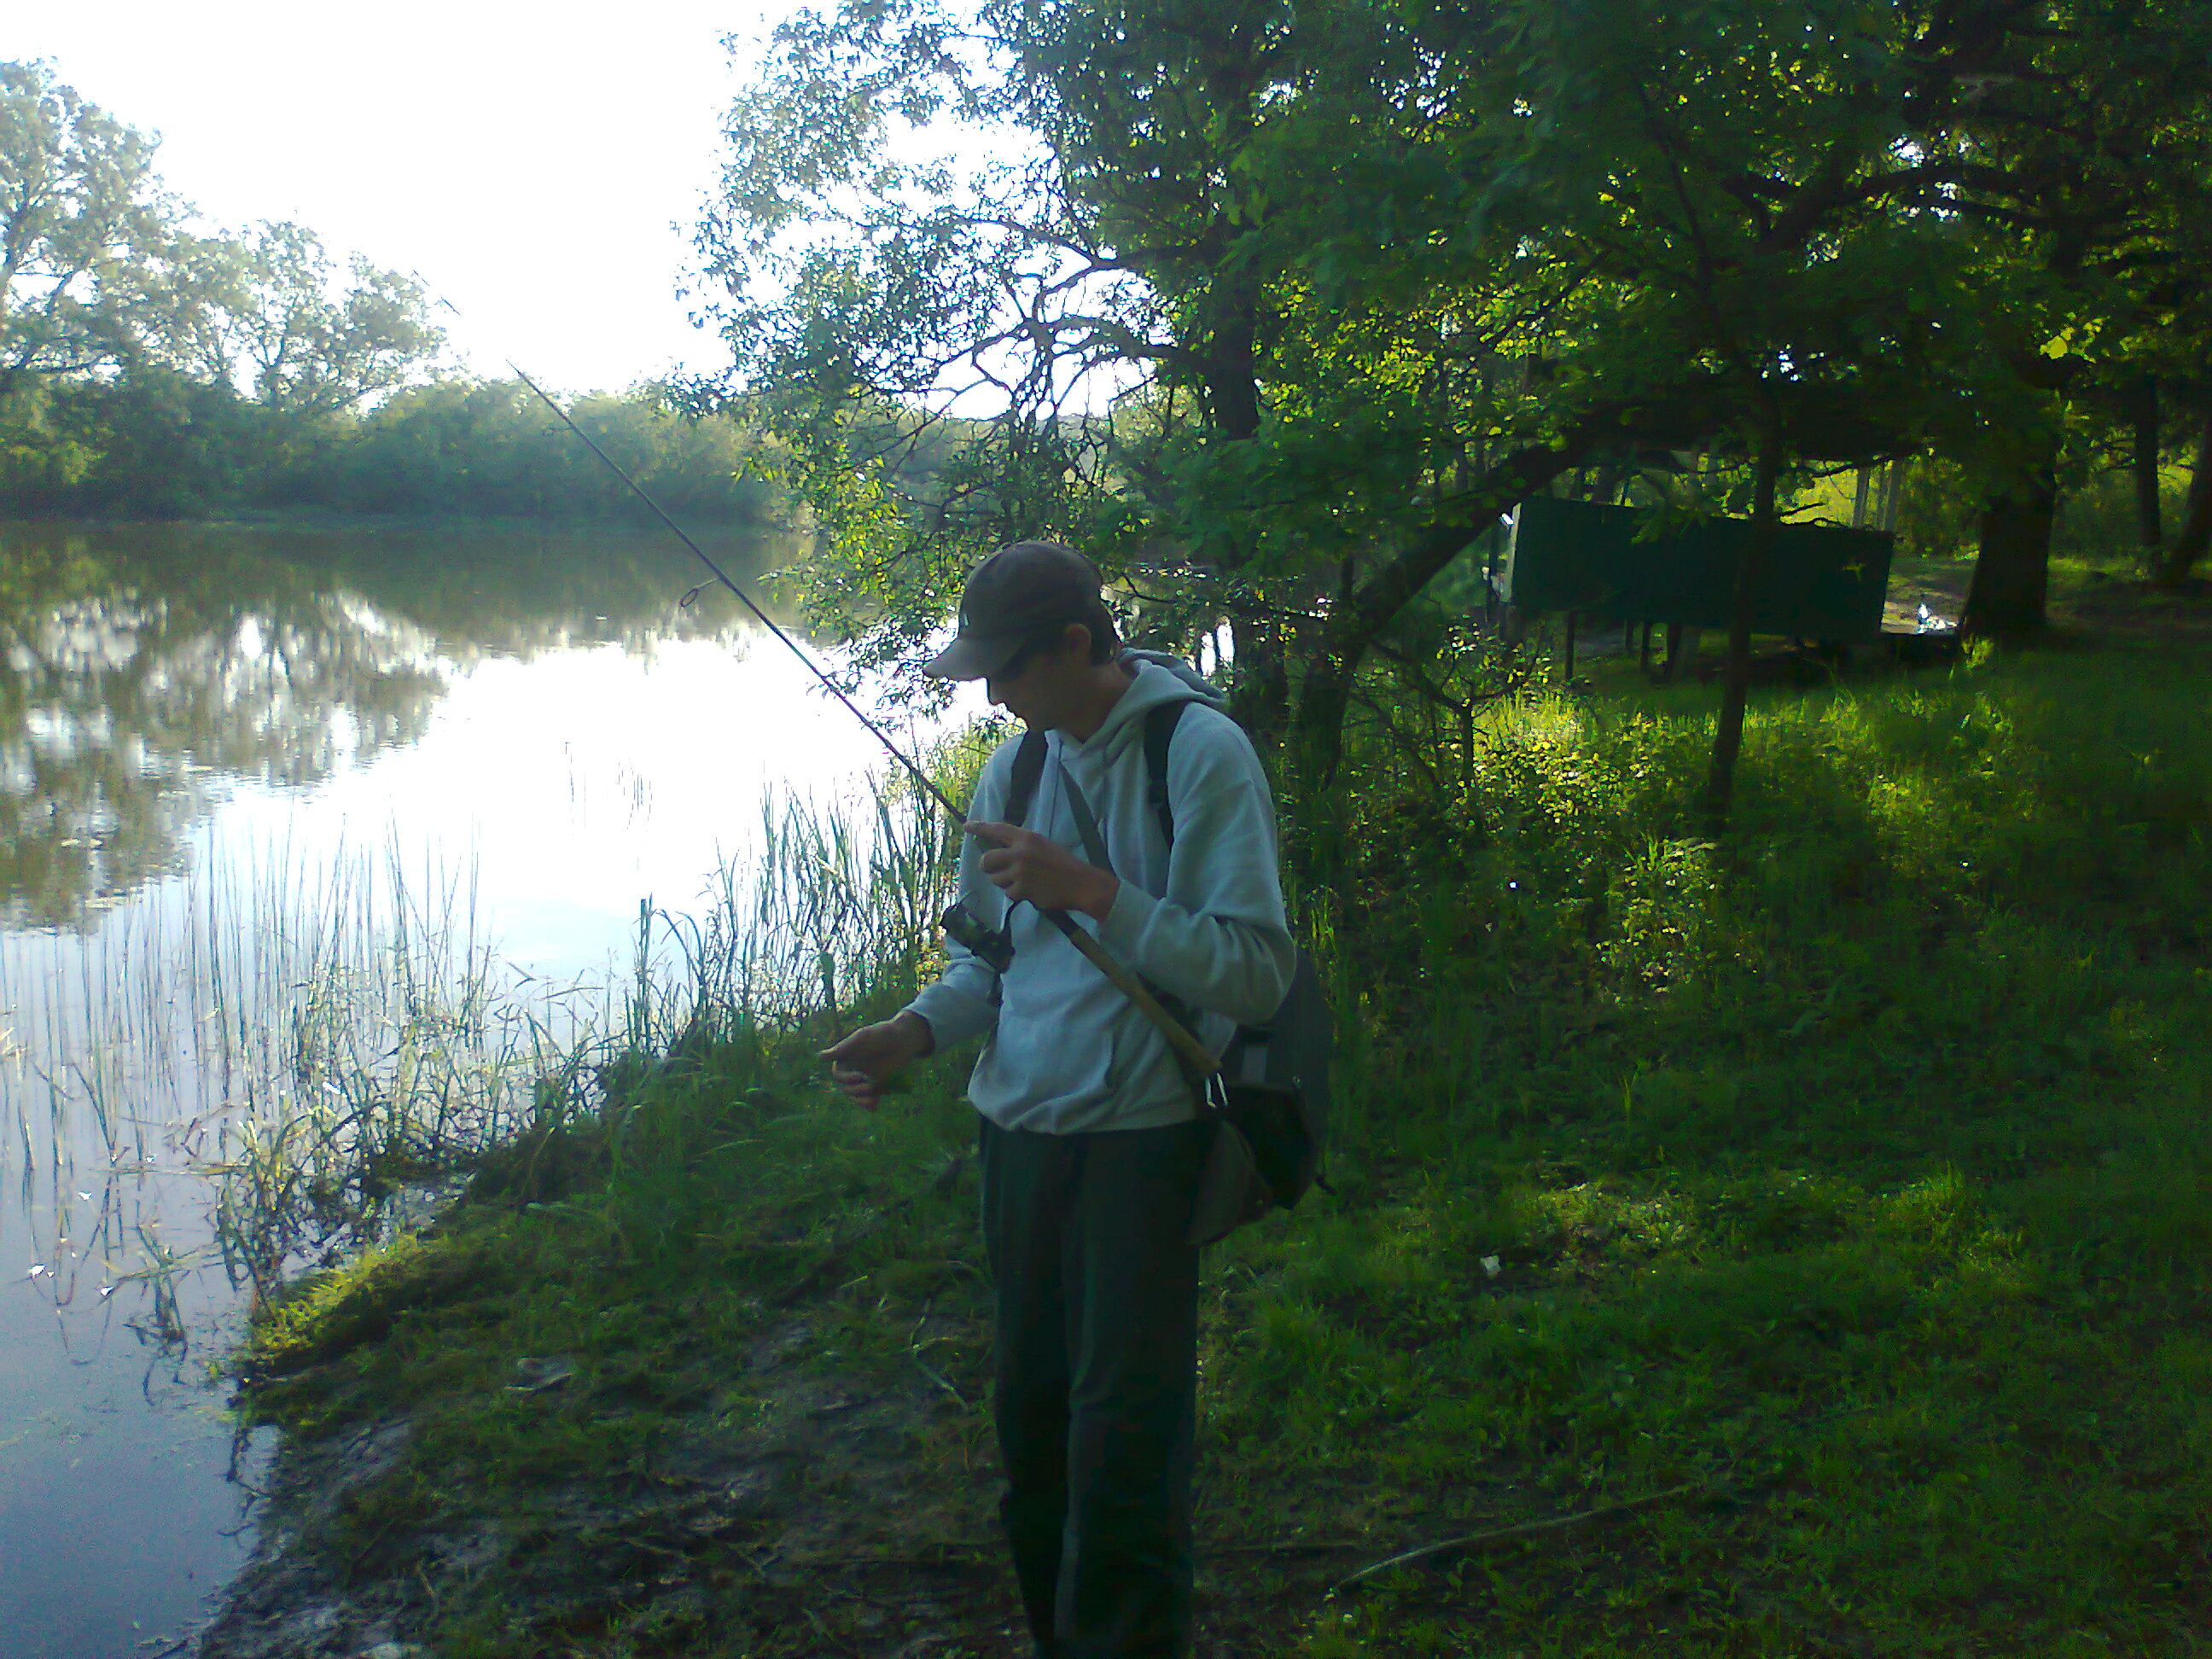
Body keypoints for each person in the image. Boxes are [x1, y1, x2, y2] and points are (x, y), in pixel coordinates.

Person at [824, 541, 1295, 1659]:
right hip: (1017, 1139)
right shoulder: (1013, 771)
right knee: (1031, 1432)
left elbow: (1256, 974)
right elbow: (986, 968)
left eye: (1007, 669)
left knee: (1123, 1445)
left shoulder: (1199, 754)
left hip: (1142, 1145)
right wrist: (913, 1032)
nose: (992, 696)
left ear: (1077, 643)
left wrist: (1093, 891)